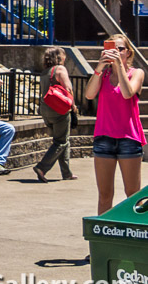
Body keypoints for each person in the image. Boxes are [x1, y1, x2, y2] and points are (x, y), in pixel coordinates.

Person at [85, 33, 145, 214]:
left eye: (120, 49)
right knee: (104, 194)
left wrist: (119, 66)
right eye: (112, 48)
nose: (116, 52)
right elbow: (89, 95)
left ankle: (135, 234)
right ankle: (104, 236)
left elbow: (127, 93)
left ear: (128, 52)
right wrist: (99, 67)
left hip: (129, 139)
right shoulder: (102, 75)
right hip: (104, 138)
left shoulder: (137, 73)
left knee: (133, 194)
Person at [33, 46, 78, 183]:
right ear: (59, 57)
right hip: (59, 109)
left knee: (62, 139)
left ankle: (67, 173)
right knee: (61, 141)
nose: (65, 58)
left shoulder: (45, 72)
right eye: (63, 55)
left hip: (46, 110)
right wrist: (73, 106)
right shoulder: (60, 69)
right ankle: (42, 167)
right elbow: (68, 88)